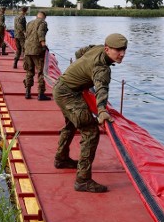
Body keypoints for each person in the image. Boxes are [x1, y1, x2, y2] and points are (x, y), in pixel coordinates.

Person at [52, 33, 128, 193]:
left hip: (62, 88)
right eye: (118, 50)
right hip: (69, 94)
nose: (122, 54)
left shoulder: (97, 48)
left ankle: (61, 159)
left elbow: (79, 53)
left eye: (124, 50)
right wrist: (102, 111)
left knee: (71, 125)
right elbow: (101, 89)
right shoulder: (102, 69)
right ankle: (83, 180)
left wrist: (84, 72)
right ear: (107, 49)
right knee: (91, 132)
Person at [23, 11, 50, 101]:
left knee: (29, 71)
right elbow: (40, 34)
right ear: (44, 17)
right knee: (41, 72)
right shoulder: (42, 23)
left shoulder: (30, 23)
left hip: (27, 50)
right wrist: (43, 45)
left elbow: (26, 35)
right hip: (37, 50)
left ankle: (27, 92)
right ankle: (40, 94)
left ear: (36, 16)